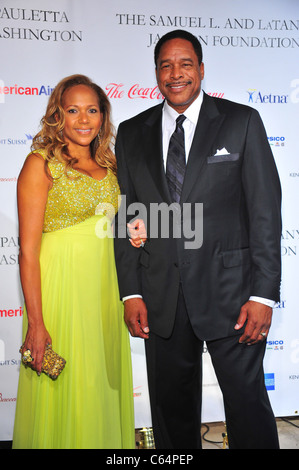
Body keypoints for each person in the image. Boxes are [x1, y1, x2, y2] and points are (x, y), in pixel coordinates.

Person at [114, 30, 282, 449]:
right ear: (156, 73)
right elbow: (126, 215)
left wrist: (263, 296)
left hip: (234, 296)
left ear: (201, 69)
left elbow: (265, 212)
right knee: (170, 414)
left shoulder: (241, 121)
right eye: (166, 65)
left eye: (185, 64)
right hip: (161, 297)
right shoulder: (132, 132)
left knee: (247, 406)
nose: (176, 74)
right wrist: (130, 293)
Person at [13, 74, 137, 449]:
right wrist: (36, 323)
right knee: (68, 387)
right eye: (73, 110)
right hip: (60, 288)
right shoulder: (41, 164)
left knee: (99, 381)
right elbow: (27, 252)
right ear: (59, 116)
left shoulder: (112, 163)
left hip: (104, 288)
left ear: (103, 116)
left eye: (92, 110)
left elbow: (120, 222)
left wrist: (136, 230)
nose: (84, 120)